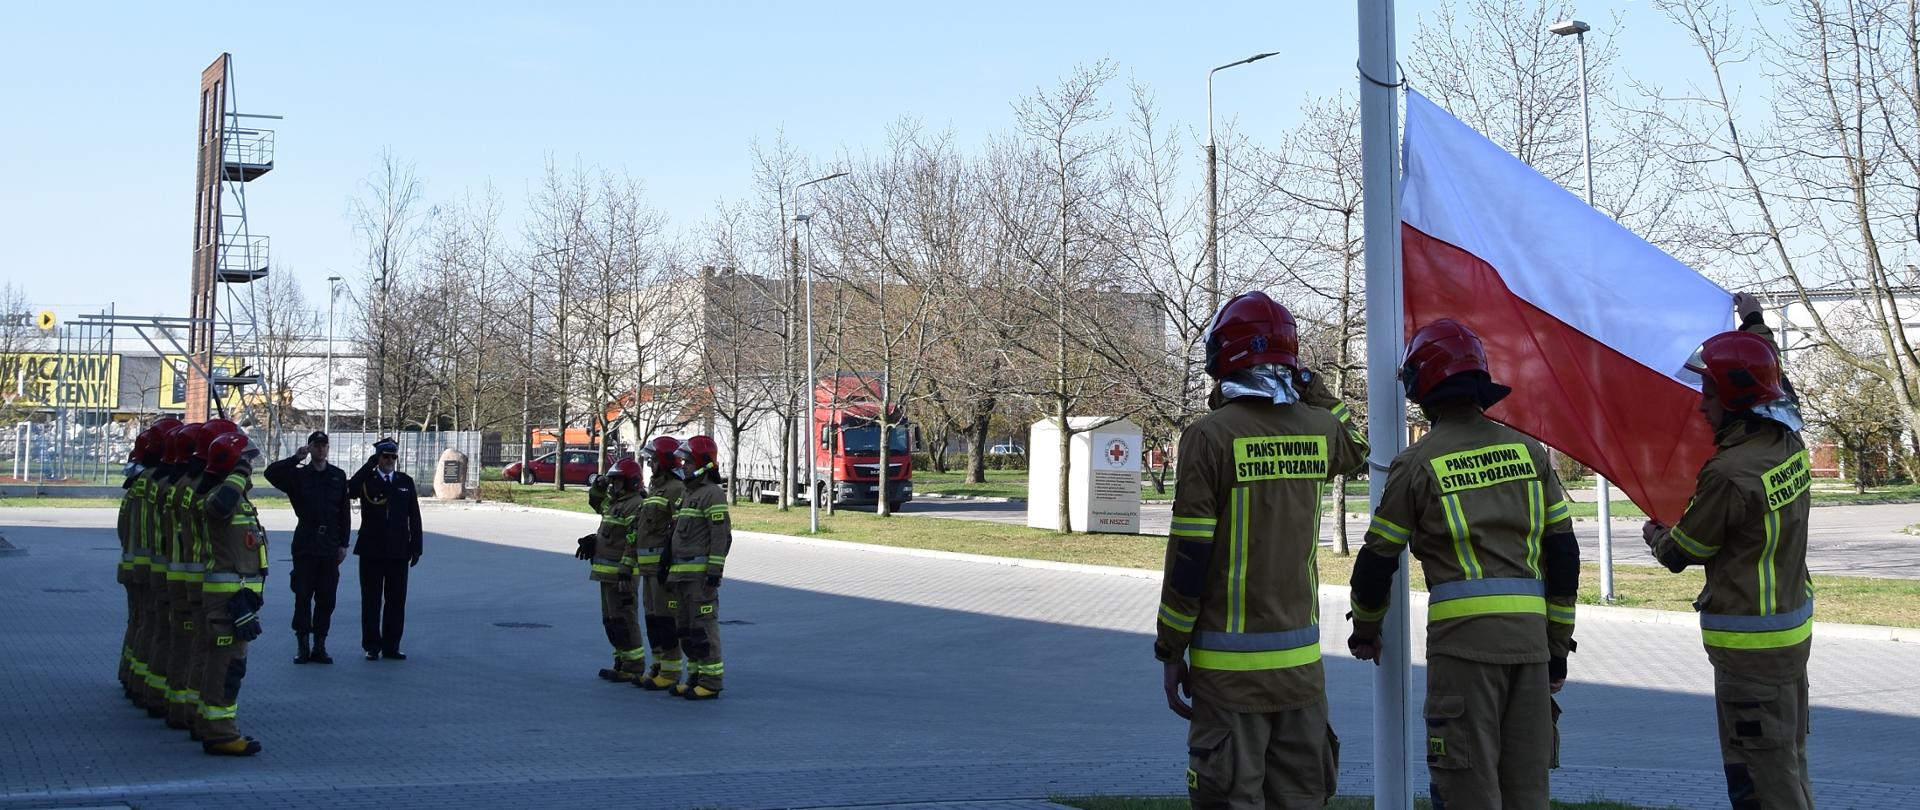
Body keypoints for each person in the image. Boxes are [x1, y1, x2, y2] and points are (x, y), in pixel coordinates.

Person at [1347, 319, 1581, 810]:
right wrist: (1556, 648)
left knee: (1466, 791)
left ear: (1421, 390)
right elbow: (1563, 555)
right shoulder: (1529, 452)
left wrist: (1366, 630)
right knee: (1527, 794)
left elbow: (1377, 560)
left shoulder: (1417, 463)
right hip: (1531, 650)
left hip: (1464, 653)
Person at [1153, 291, 1369, 809]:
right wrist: (1312, 386)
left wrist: (1170, 648)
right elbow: (1360, 442)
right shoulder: (1320, 431)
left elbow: (1189, 558)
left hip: (1228, 681)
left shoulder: (1208, 438)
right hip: (1301, 675)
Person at [1643, 293, 1814, 810]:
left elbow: (1683, 551)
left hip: (1749, 649)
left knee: (1761, 774)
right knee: (1787, 756)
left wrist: (1656, 534)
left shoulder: (1730, 474)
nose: (1701, 404)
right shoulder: (1790, 440)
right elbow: (1772, 378)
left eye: (1709, 394)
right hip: (1789, 631)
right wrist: (1755, 323)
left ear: (1735, 403)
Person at [196, 428, 267, 756]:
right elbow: (220, 505)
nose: (249, 467)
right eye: (245, 462)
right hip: (225, 601)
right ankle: (221, 734)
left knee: (226, 665)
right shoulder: (217, 497)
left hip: (237, 599)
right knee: (226, 667)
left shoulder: (236, 496)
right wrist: (237, 473)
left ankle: (216, 728)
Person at [265, 431, 351, 664]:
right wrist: (295, 458)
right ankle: (303, 644)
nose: (321, 449)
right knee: (303, 595)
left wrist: (344, 543)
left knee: (327, 598)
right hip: (306, 542)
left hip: (329, 544)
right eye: (317, 445)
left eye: (325, 445)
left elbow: (344, 512)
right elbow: (270, 473)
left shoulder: (337, 476)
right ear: (310, 448)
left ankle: (320, 644)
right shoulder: (299, 476)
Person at [664, 435, 732, 700]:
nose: (684, 465)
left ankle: (711, 681)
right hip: (681, 576)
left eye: (689, 461)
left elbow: (720, 536)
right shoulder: (687, 493)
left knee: (703, 628)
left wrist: (714, 572)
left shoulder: (712, 493)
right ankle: (694, 676)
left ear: (703, 462)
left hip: (699, 578)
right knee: (687, 629)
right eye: (684, 461)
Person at [350, 437, 423, 661]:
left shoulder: (404, 481)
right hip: (371, 550)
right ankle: (372, 645)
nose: (390, 460)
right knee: (371, 600)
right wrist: (369, 464)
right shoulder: (367, 480)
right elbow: (350, 490)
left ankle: (392, 645)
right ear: (378, 458)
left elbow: (414, 516)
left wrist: (416, 547)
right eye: (385, 456)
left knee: (396, 600)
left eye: (393, 456)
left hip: (398, 550)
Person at [580, 457, 648, 682]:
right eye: (612, 481)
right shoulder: (616, 502)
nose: (614, 485)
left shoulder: (635, 504)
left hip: (622, 575)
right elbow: (597, 503)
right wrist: (598, 485)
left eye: (618, 481)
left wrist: (626, 569)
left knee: (625, 620)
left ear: (632, 482)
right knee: (611, 621)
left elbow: (633, 540)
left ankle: (634, 665)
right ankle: (620, 662)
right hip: (607, 575)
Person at [634, 436, 688, 691]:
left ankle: (671, 670)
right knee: (653, 619)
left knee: (666, 620)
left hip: (662, 569)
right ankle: (657, 665)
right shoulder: (655, 488)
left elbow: (678, 528)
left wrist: (670, 561)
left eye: (653, 459)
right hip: (648, 569)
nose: (650, 463)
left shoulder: (676, 489)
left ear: (665, 461)